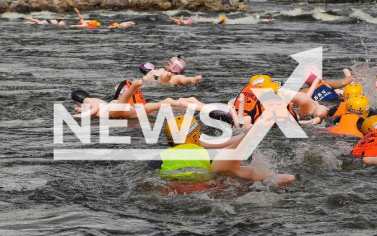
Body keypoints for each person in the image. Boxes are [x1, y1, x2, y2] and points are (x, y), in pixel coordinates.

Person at [156, 115, 294, 185]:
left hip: (173, 183)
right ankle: (275, 177)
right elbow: (221, 144)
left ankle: (246, 138)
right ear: (195, 135)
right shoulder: (204, 152)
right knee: (240, 170)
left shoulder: (161, 156)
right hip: (204, 182)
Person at [71, 79, 181, 120]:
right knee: (141, 111)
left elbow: (94, 110)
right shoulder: (95, 100)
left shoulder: (88, 101)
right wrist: (81, 110)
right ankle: (164, 103)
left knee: (123, 105)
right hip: (112, 108)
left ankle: (133, 88)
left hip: (110, 112)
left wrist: (80, 116)